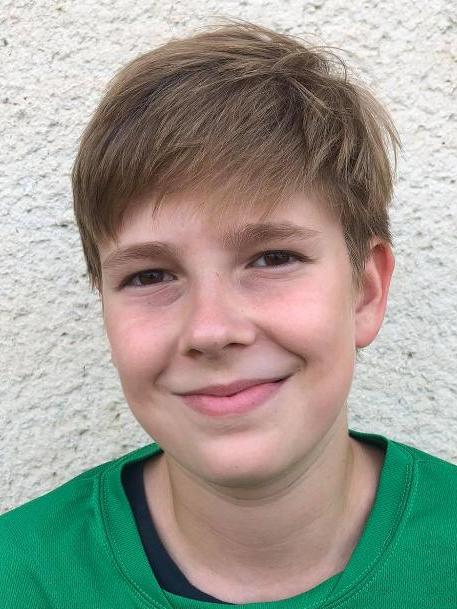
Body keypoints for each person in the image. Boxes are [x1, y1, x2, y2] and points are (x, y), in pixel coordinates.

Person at [1, 20, 456, 608]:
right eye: (150, 275)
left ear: (365, 292)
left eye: (272, 258)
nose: (211, 330)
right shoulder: (19, 578)